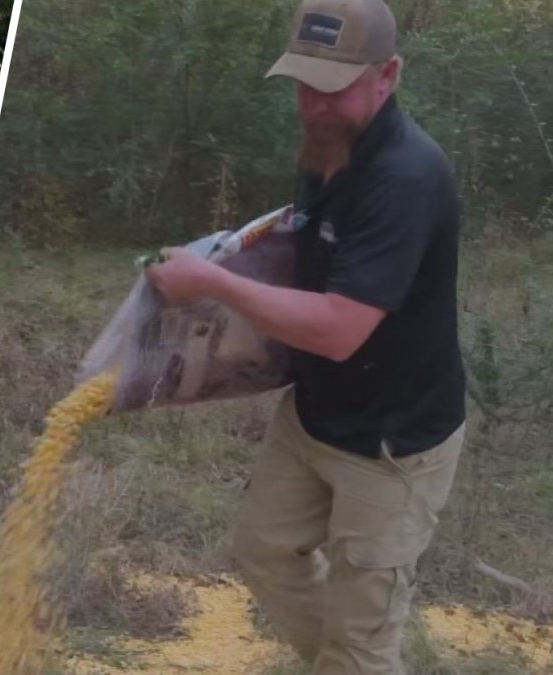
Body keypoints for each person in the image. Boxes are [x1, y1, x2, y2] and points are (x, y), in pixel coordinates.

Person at [145, 0, 466, 673]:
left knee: (361, 638)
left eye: (334, 87)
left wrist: (214, 283)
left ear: (388, 75)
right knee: (264, 548)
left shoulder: (406, 177)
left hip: (392, 442)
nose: (315, 105)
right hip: (315, 414)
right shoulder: (327, 143)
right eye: (303, 84)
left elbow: (341, 329)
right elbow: (315, 246)